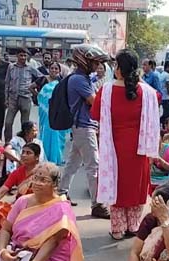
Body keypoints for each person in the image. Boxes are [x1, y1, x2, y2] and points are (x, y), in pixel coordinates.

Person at [91, 49, 160, 240]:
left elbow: (95, 114)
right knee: (135, 186)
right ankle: (133, 226)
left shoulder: (106, 90)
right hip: (139, 148)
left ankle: (118, 229)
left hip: (114, 148)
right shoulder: (146, 92)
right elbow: (158, 98)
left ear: (118, 68)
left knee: (117, 186)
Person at [59, 44, 110, 217]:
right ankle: (97, 204)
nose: (97, 66)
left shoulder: (83, 78)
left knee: (73, 163)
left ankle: (61, 193)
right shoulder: (79, 80)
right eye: (94, 62)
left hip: (82, 126)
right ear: (84, 60)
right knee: (93, 166)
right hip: (84, 126)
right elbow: (94, 102)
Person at [0, 143, 40, 232]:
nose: (24, 155)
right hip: (21, 207)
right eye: (23, 152)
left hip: (39, 207)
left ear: (37, 157)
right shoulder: (17, 172)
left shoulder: (42, 171)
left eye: (28, 153)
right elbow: (3, 190)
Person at [4, 48, 42, 142]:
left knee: (25, 124)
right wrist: (6, 98)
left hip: (25, 98)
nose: (23, 57)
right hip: (13, 98)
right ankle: (8, 143)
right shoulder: (11, 67)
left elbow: (41, 77)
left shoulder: (30, 68)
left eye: (25, 55)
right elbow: (7, 83)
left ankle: (23, 143)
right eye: (21, 55)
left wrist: (34, 89)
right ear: (17, 56)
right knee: (8, 122)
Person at [35, 62, 68, 165]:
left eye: (56, 69)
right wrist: (40, 97)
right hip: (46, 112)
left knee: (57, 134)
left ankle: (56, 157)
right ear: (49, 69)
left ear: (59, 71)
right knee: (46, 132)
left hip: (57, 113)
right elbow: (32, 89)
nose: (54, 70)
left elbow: (65, 97)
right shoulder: (43, 80)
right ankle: (44, 156)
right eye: (52, 68)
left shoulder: (62, 83)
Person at [158, 62, 169, 127]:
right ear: (168, 67)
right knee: (167, 114)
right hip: (166, 97)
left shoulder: (161, 74)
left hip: (162, 97)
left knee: (165, 113)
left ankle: (164, 126)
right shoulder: (168, 75)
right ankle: (159, 122)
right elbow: (168, 87)